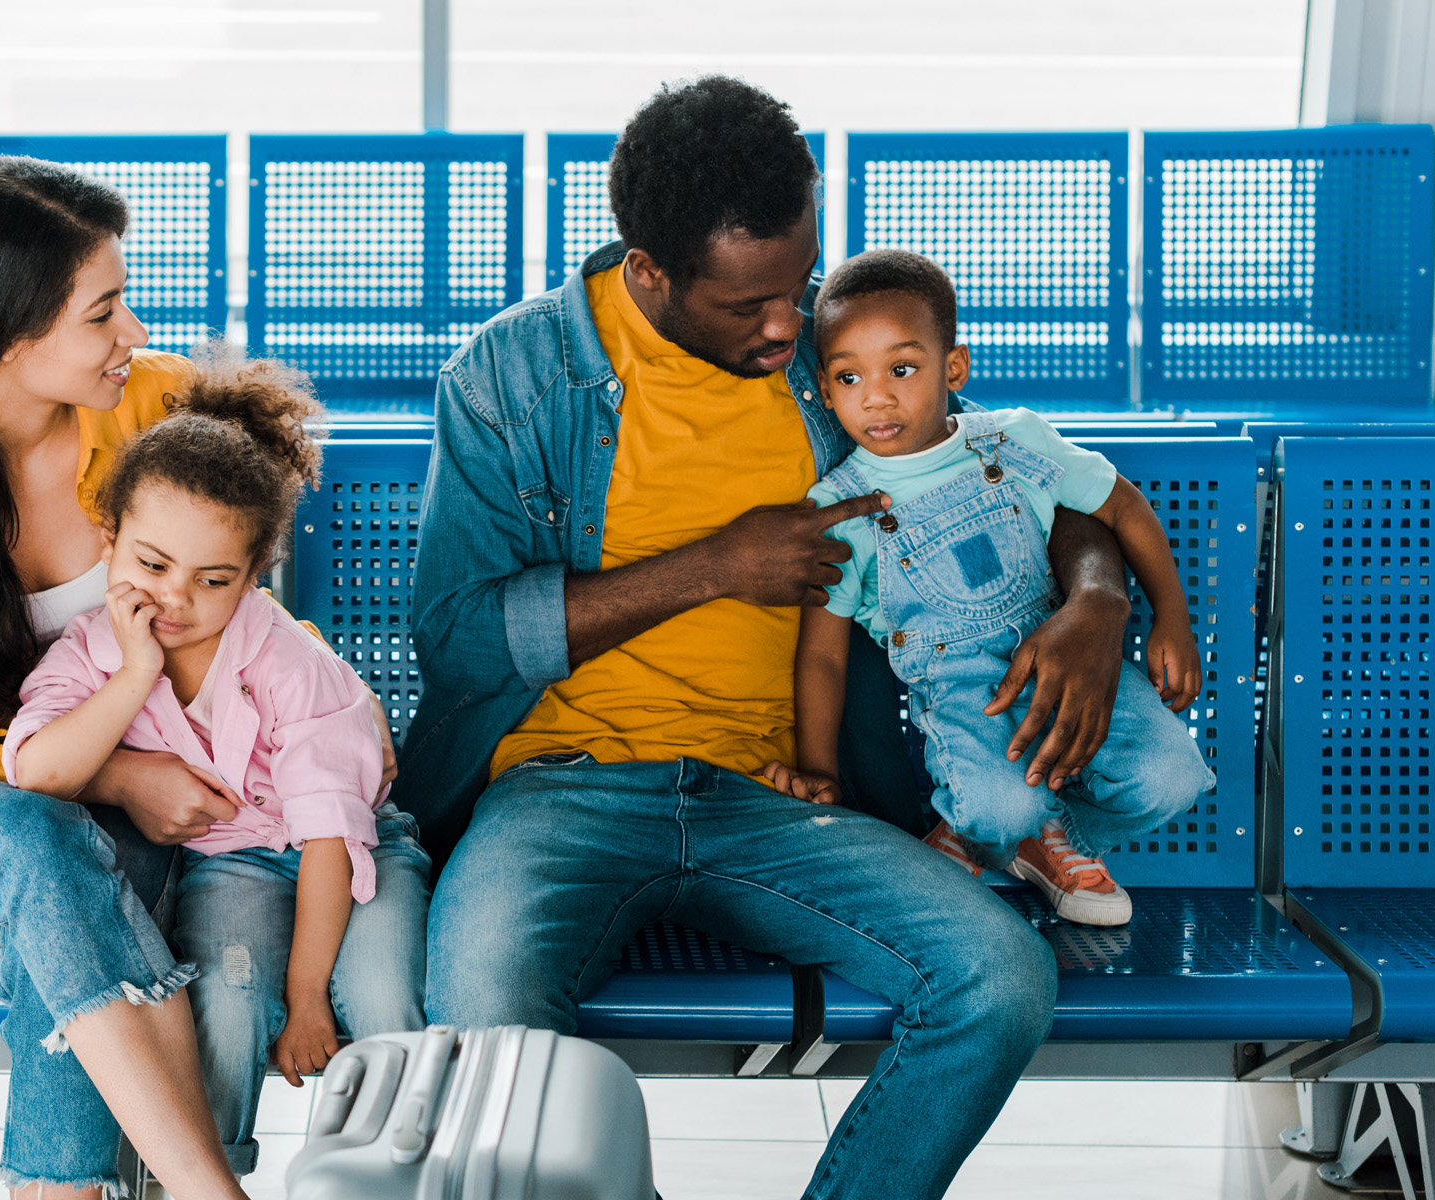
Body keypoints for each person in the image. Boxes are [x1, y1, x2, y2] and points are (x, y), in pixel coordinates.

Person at [402, 77, 1139, 1200]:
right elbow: (457, 641)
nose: (789, 327)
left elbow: (1032, 481)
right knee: (484, 1023)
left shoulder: (833, 352)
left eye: (797, 285)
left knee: (999, 975)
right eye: (747, 304)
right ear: (649, 270)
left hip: (784, 797)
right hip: (562, 789)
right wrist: (714, 568)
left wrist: (1097, 599)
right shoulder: (513, 381)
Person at [0, 156, 366, 1200]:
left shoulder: (160, 415)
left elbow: (245, 621)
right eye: (105, 313)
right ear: (14, 337)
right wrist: (109, 774)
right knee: (46, 837)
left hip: (113, 838)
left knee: (77, 888)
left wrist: (133, 781)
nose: (136, 333)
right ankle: (204, 1185)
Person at [3, 346, 429, 1179]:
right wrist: (134, 677)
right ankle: (203, 1181)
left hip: (355, 854)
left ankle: (394, 1180)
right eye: (151, 565)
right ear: (109, 538)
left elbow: (329, 841)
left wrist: (308, 1000)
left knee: (383, 1003)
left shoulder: (287, 661)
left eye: (212, 580)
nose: (173, 599)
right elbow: (35, 770)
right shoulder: (94, 652)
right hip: (232, 867)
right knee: (226, 1011)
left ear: (253, 578)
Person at [759, 249, 1215, 926]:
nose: (876, 397)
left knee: (1172, 779)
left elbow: (1122, 506)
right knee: (1002, 803)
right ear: (825, 392)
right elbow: (822, 653)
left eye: (903, 369)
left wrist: (1172, 617)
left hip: (1078, 671)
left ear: (955, 369)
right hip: (966, 696)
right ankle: (1007, 827)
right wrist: (818, 771)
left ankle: (1013, 834)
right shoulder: (842, 509)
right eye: (849, 377)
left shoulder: (1014, 441)